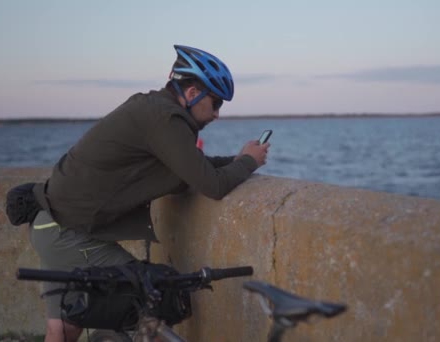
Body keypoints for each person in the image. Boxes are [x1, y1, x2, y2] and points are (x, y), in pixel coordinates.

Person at [29, 45, 270, 341]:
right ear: (193, 93)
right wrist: (249, 162)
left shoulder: (154, 108)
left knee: (65, 326)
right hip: (69, 233)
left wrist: (235, 161)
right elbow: (213, 185)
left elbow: (192, 166)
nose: (218, 114)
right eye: (216, 102)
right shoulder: (166, 119)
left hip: (49, 222)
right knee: (152, 297)